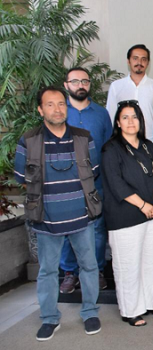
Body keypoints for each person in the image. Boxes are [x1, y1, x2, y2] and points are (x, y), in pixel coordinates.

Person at [14, 86, 102, 341]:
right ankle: (50, 318)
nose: (57, 109)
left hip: (82, 216)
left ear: (67, 107)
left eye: (61, 104)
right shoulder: (28, 141)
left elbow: (92, 172)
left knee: (88, 266)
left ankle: (90, 312)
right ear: (41, 109)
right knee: (48, 271)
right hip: (46, 219)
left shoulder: (83, 138)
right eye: (50, 104)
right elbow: (23, 180)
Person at [101, 100, 153, 327]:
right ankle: (131, 310)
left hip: (152, 214)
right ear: (118, 122)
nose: (131, 121)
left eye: (135, 117)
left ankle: (152, 303)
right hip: (125, 216)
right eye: (126, 117)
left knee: (152, 263)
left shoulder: (149, 146)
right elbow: (116, 184)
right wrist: (143, 205)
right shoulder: (111, 149)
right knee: (128, 265)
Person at [59, 67, 112, 293]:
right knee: (67, 229)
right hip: (65, 183)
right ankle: (70, 273)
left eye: (85, 81)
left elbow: (109, 146)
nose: (81, 85)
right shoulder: (59, 112)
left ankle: (97, 270)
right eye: (76, 81)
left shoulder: (101, 114)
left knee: (98, 229)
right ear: (66, 85)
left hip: (95, 181)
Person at [106, 44, 153, 142]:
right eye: (135, 58)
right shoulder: (116, 86)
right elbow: (111, 115)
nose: (139, 62)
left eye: (144, 59)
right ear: (128, 61)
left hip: (150, 141)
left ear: (148, 63)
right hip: (122, 142)